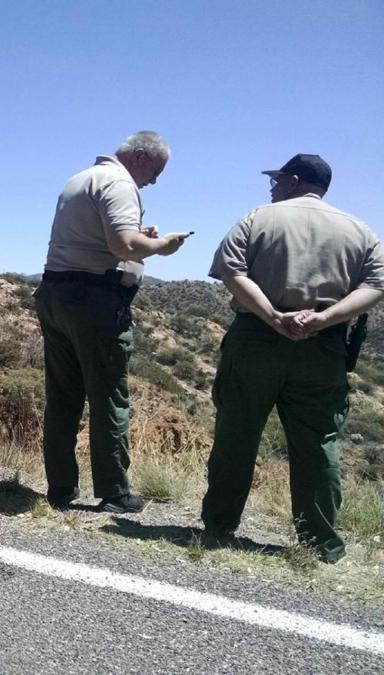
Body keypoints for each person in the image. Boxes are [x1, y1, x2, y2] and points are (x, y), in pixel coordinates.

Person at [203, 154, 384, 563]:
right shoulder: (359, 230)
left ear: (294, 180)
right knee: (318, 442)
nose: (272, 186)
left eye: (277, 179)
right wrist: (323, 318)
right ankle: (320, 543)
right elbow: (377, 283)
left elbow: (231, 270)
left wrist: (272, 317)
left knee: (237, 432)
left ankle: (218, 527)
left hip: (255, 341)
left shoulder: (257, 218)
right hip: (323, 348)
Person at [35, 131, 189, 513]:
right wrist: (161, 246)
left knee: (63, 396)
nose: (154, 180)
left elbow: (102, 237)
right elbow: (123, 246)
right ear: (138, 155)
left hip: (56, 292)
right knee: (108, 398)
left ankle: (59, 487)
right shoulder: (119, 183)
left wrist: (139, 237)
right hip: (95, 301)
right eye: (155, 170)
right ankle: (114, 491)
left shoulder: (79, 179)